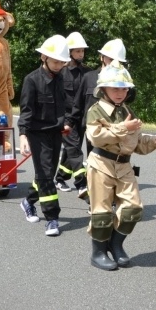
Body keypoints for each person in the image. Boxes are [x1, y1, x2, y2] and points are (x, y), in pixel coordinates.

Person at [86, 60, 156, 271]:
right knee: (102, 212)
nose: (120, 92)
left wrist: (155, 141)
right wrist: (123, 127)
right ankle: (98, 252)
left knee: (133, 209)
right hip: (101, 165)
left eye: (124, 88)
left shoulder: (127, 111)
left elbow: (137, 143)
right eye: (115, 88)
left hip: (124, 166)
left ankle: (116, 246)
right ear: (103, 89)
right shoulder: (96, 111)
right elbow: (96, 138)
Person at [18, 35, 70, 237]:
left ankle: (28, 201)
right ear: (43, 57)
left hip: (55, 132)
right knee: (47, 175)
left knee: (45, 173)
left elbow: (64, 105)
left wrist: (66, 122)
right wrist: (23, 136)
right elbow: (26, 111)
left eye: (61, 62)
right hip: (36, 133)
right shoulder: (31, 80)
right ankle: (52, 219)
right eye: (55, 61)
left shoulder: (61, 79)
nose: (59, 65)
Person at [68, 38, 128, 156]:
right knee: (94, 160)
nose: (114, 63)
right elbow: (78, 104)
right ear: (102, 57)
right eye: (110, 59)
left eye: (118, 61)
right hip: (94, 128)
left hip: (115, 128)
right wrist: (69, 124)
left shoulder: (124, 80)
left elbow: (129, 100)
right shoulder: (89, 77)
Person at [55, 32, 91, 196]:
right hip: (65, 119)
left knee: (70, 150)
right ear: (69, 52)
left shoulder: (87, 73)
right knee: (75, 149)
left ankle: (60, 178)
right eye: (77, 51)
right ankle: (82, 184)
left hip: (81, 118)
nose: (81, 54)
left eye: (82, 51)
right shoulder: (60, 73)